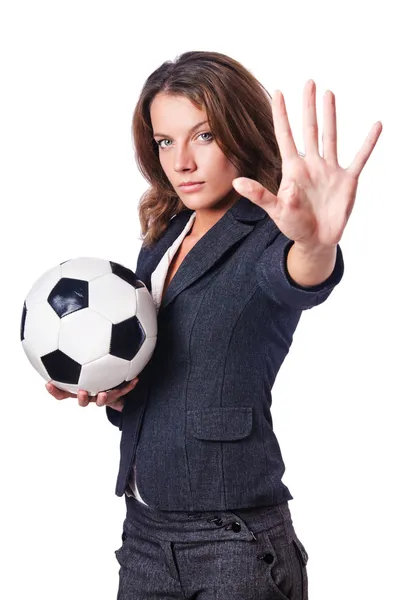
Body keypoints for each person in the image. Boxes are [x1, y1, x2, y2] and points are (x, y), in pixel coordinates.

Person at [46, 50, 382, 599]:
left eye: (202, 136)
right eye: (165, 141)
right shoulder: (162, 239)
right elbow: (178, 366)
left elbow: (298, 278)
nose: (181, 161)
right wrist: (118, 390)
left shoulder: (274, 232)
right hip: (145, 538)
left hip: (235, 544)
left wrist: (316, 242)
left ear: (239, 132)